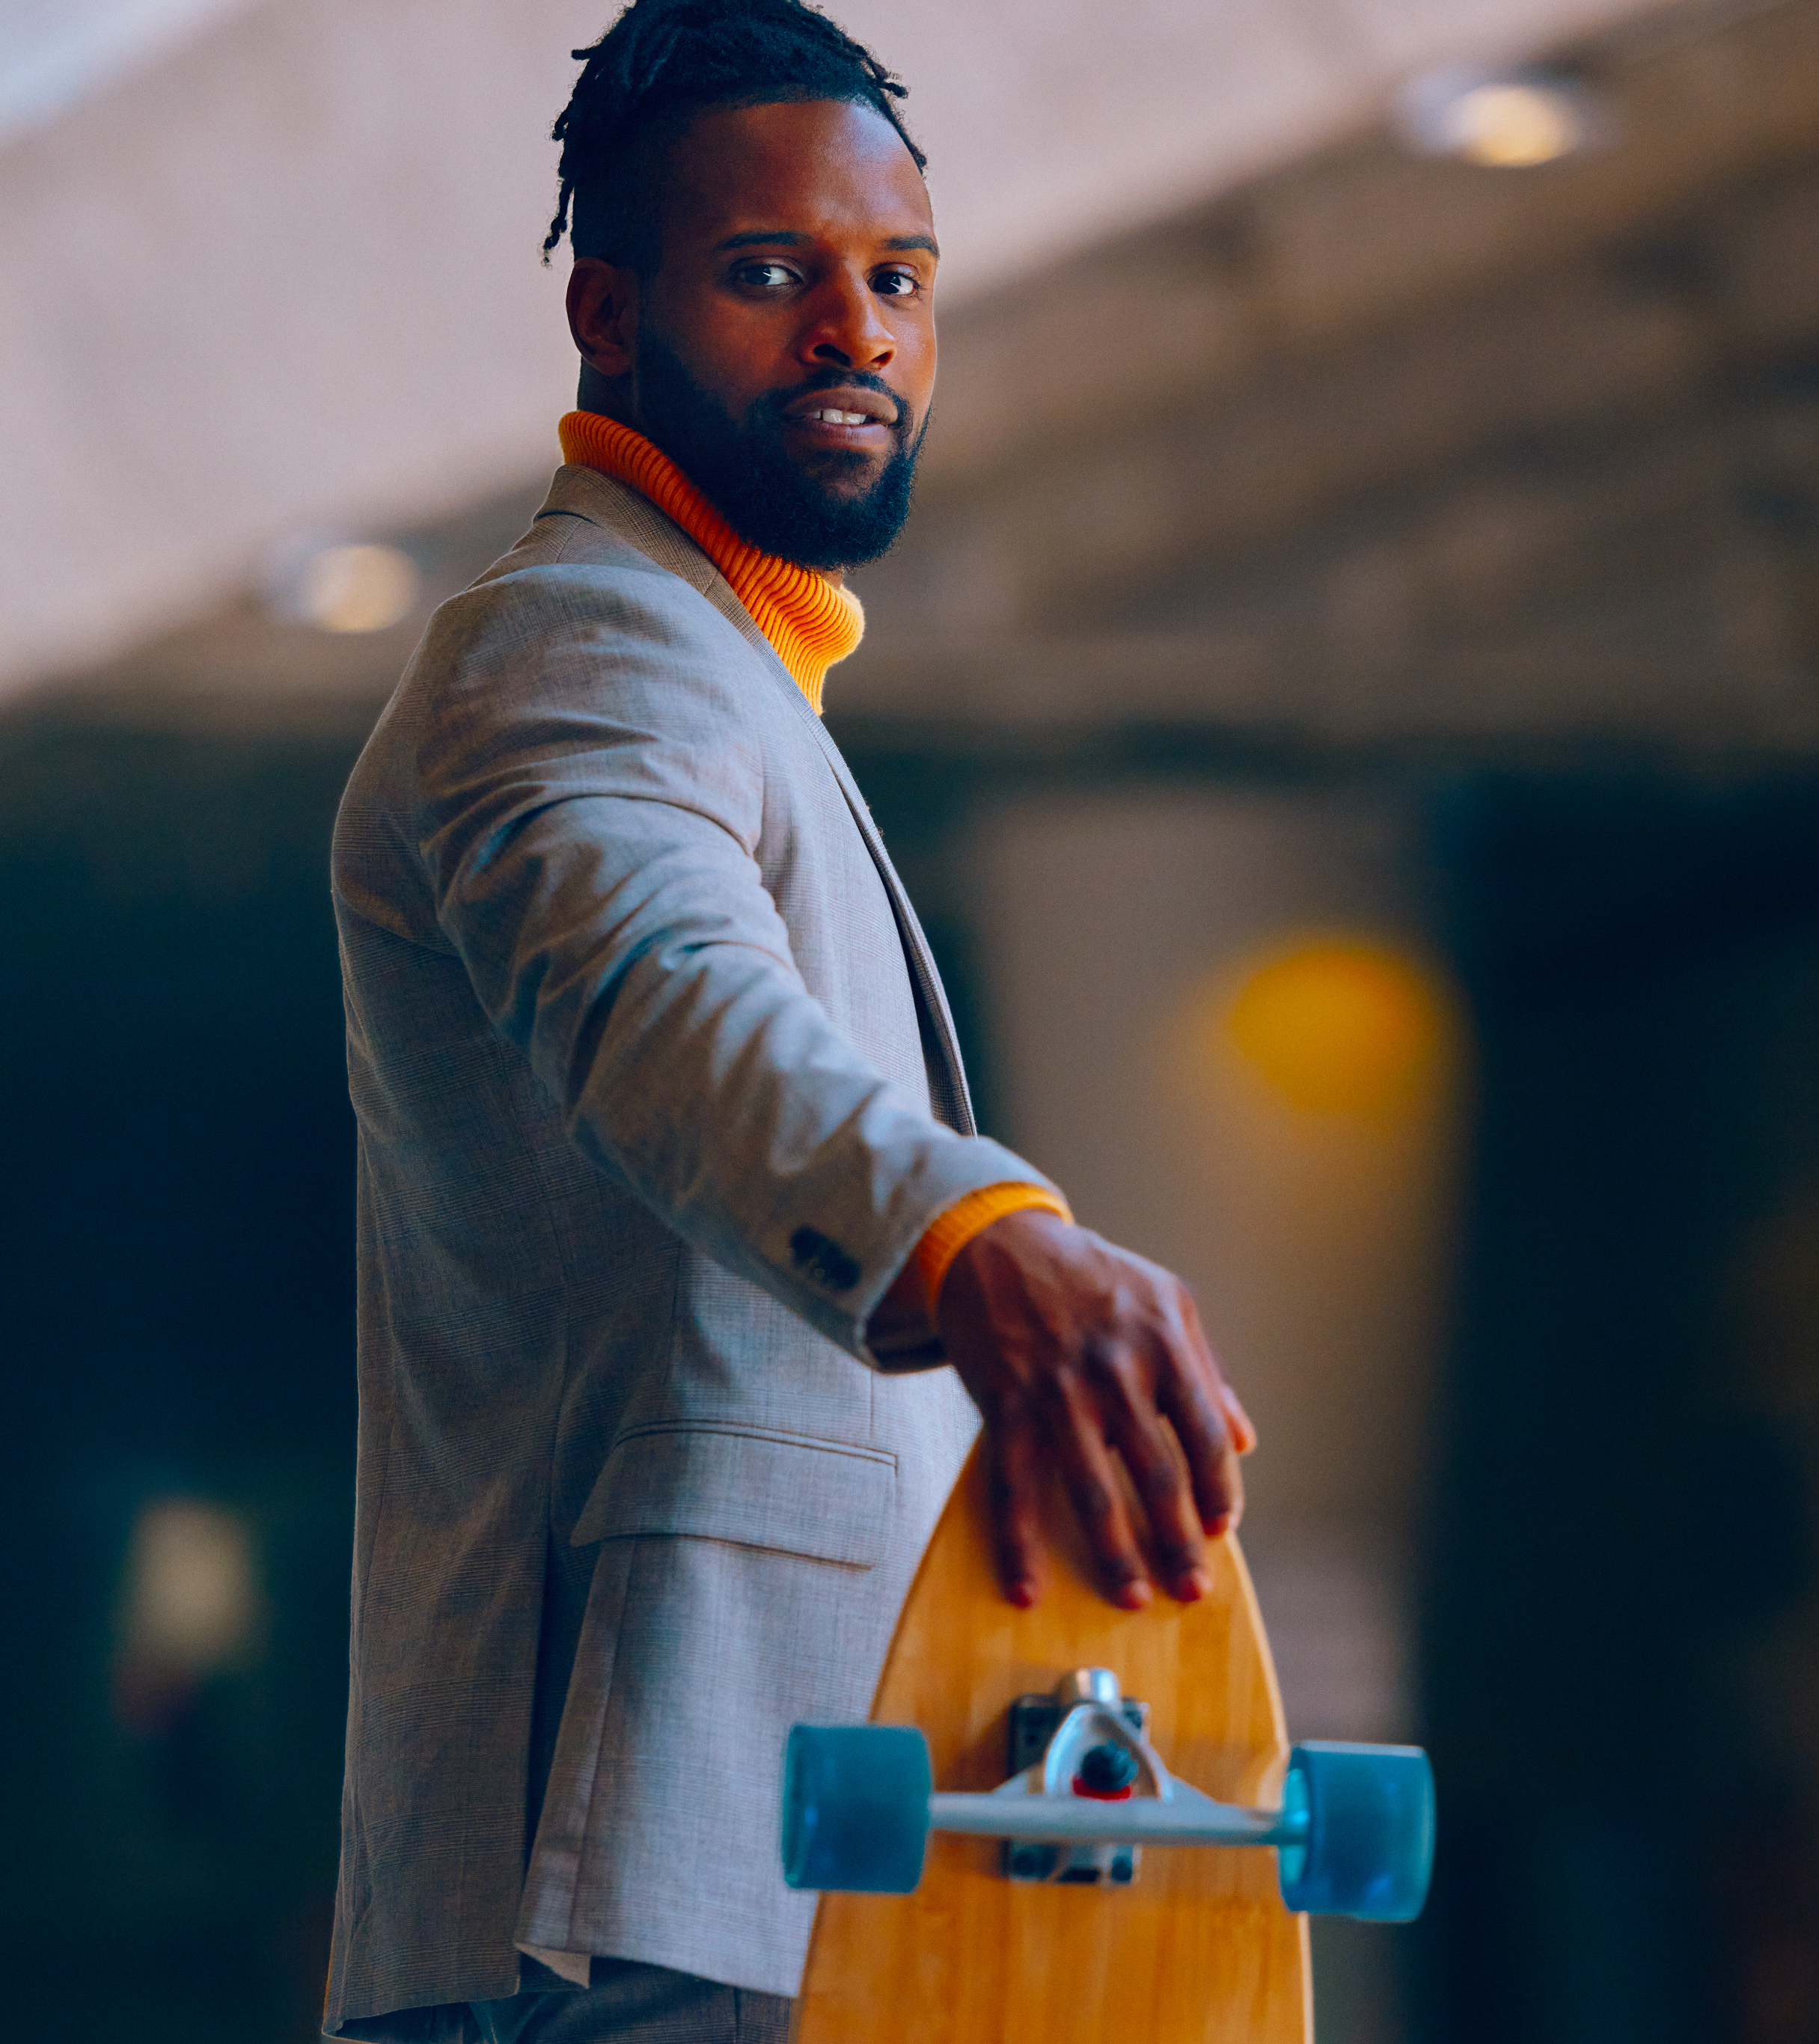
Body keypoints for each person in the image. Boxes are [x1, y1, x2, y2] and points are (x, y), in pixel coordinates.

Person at [325, 4, 1253, 2037]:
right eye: (770, 273)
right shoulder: (574, 649)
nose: (857, 330)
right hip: (632, 1875)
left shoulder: (723, 673)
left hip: (749, 1873)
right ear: (609, 311)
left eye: (896, 279)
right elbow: (665, 1002)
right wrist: (970, 1231)